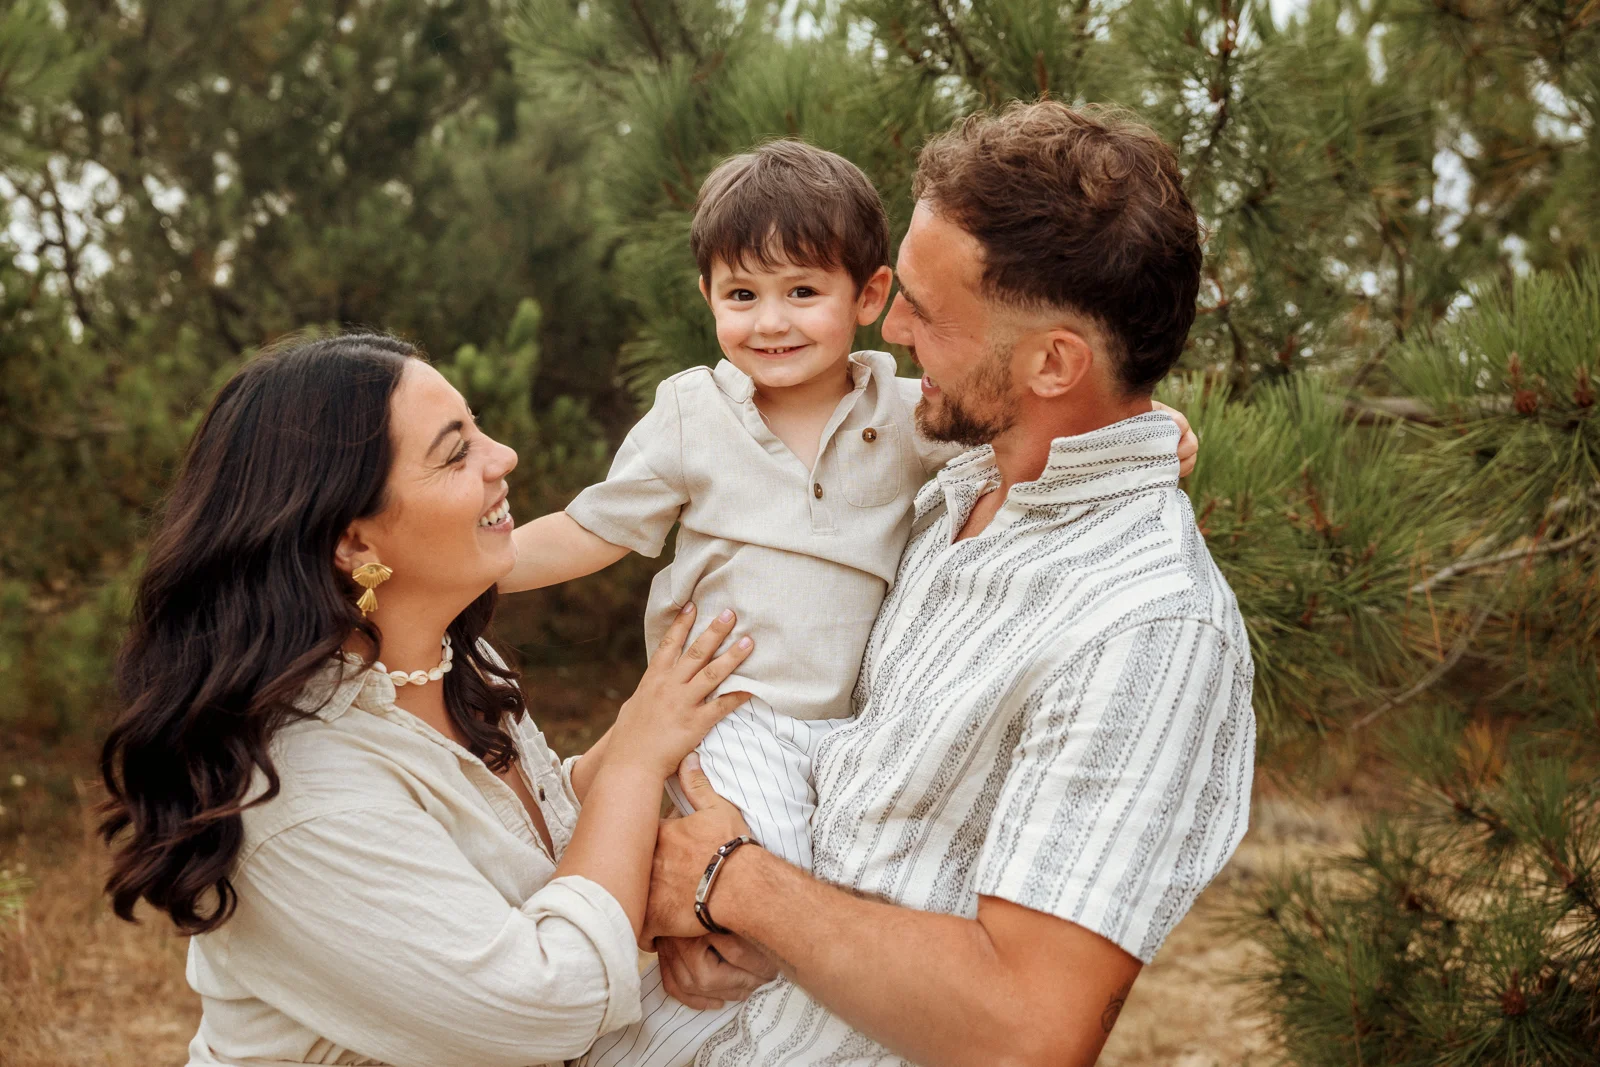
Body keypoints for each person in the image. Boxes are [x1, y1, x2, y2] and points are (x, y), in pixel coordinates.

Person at [495, 140, 1198, 1066]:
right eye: (741, 296)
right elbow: (592, 529)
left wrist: (1151, 428)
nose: (770, 322)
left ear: (864, 297)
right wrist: (467, 567)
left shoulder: (909, 416)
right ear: (705, 296)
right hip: (725, 707)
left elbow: (1046, 434)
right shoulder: (693, 416)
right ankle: (582, 993)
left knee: (798, 893)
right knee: (725, 873)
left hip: (835, 735)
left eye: (801, 293)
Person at [97, 333, 757, 1067]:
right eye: (455, 452)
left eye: (477, 425)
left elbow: (530, 845)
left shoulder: (453, 657)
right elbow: (545, 1003)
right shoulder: (298, 790)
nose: (502, 456)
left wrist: (676, 881)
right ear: (353, 542)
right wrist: (634, 764)